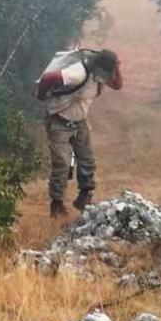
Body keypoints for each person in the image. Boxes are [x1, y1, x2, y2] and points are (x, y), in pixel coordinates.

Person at [36, 48, 123, 217]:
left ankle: (84, 197)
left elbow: (118, 85)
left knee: (87, 160)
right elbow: (48, 78)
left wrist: (116, 66)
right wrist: (41, 96)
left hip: (80, 122)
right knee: (62, 163)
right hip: (59, 121)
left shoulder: (100, 74)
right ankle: (57, 204)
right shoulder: (78, 74)